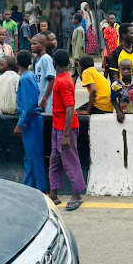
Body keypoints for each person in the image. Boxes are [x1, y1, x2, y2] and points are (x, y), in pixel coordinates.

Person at [49, 49, 85, 211]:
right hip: (58, 127)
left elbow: (70, 108)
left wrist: (65, 135)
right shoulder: (62, 79)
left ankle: (77, 194)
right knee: (55, 159)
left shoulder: (63, 81)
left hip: (65, 129)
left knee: (70, 160)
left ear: (54, 63)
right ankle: (53, 194)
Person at [13, 50, 47, 193]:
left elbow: (29, 105)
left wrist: (20, 124)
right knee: (30, 157)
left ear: (17, 63)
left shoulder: (25, 78)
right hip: (32, 120)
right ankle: (30, 188)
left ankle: (41, 189)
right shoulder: (30, 76)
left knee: (34, 157)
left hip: (30, 121)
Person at [31, 34, 55, 114]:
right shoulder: (37, 59)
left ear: (42, 45)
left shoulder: (46, 59)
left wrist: (44, 100)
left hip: (45, 100)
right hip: (39, 97)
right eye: (31, 44)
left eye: (35, 44)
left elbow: (51, 79)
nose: (32, 46)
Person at [103, 12, 119, 80]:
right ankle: (104, 81)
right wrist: (109, 52)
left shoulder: (116, 28)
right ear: (108, 20)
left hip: (115, 50)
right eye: (111, 19)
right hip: (108, 51)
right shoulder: (107, 29)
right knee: (107, 68)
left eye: (113, 19)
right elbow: (105, 40)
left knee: (113, 67)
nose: (112, 20)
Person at [71, 14, 85, 85]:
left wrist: (76, 57)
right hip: (76, 56)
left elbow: (79, 44)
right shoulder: (77, 29)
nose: (72, 20)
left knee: (82, 75)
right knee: (73, 75)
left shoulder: (79, 30)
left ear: (76, 20)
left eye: (73, 19)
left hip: (78, 56)